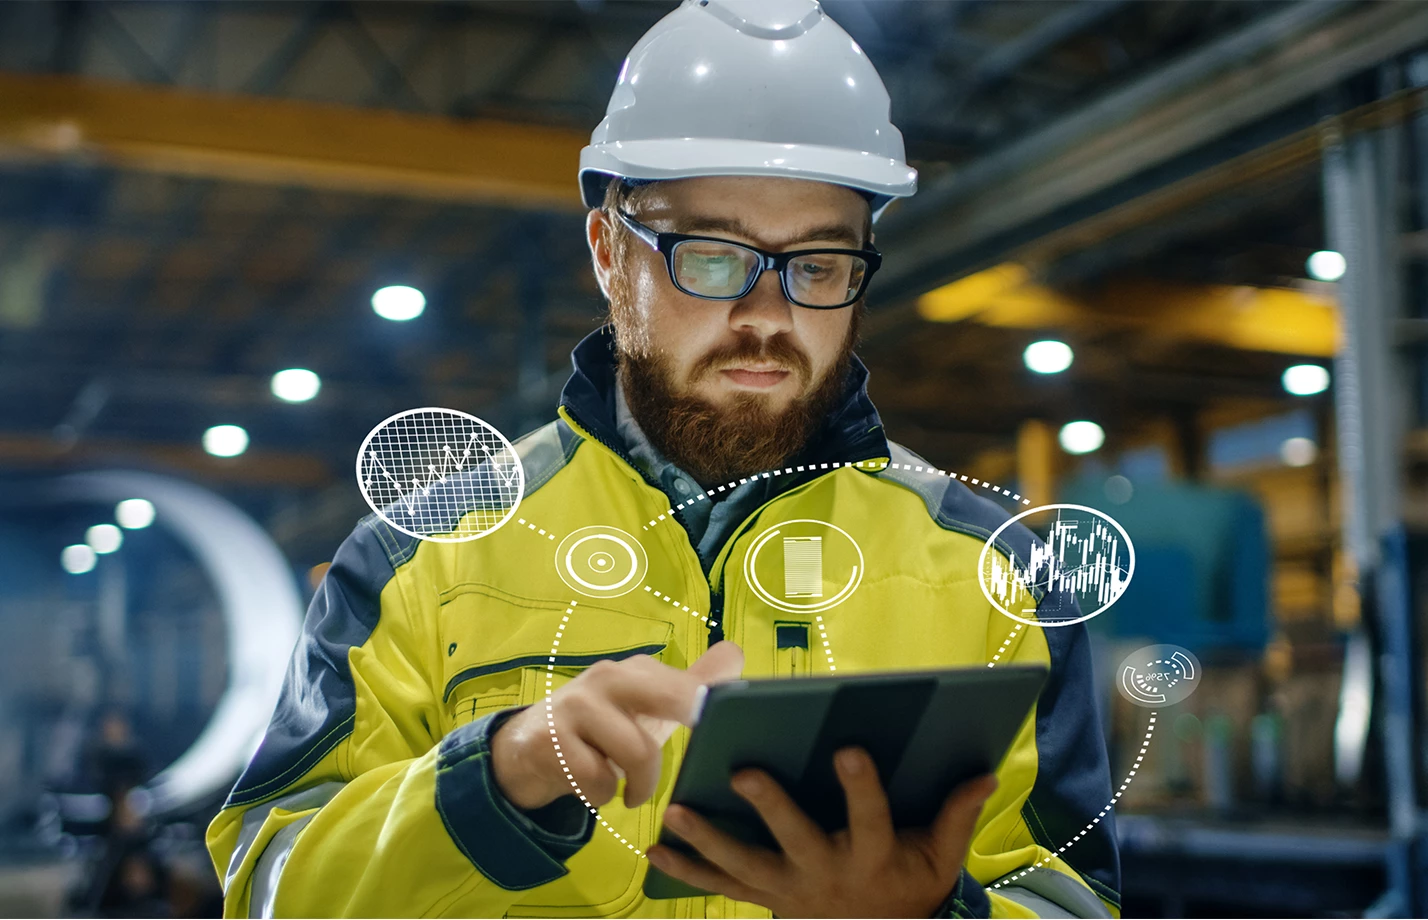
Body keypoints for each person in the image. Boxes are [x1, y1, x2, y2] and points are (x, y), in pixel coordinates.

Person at [206, 1, 1120, 916]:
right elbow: (271, 884)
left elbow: (1074, 896)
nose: (768, 314)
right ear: (610, 254)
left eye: (817, 265)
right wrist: (496, 780)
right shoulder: (421, 558)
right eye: (713, 258)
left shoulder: (1001, 572)